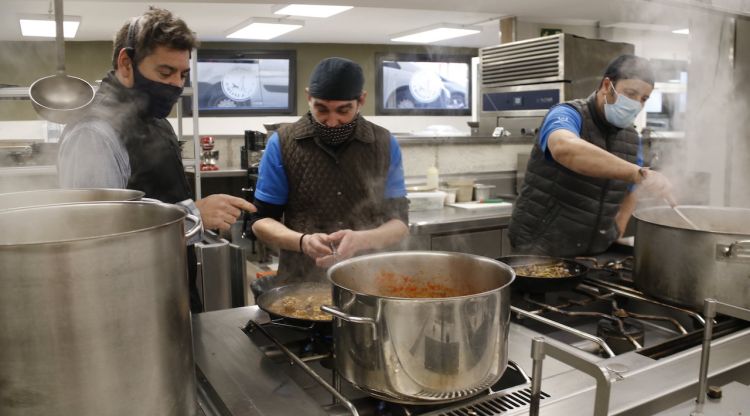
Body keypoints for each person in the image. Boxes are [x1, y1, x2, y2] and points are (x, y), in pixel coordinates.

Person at [57, 7, 255, 311]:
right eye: (165, 72)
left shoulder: (156, 120)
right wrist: (194, 216)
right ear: (126, 63)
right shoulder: (93, 134)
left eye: (182, 74)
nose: (176, 84)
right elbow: (96, 238)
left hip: (169, 293)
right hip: (126, 308)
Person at [250, 57, 409, 283]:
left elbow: (400, 223)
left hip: (367, 279)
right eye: (321, 109)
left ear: (361, 100)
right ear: (308, 97)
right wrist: (303, 241)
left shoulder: (383, 143)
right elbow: (261, 220)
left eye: (343, 110)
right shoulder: (283, 143)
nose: (332, 121)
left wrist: (362, 240)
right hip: (300, 279)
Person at [508, 54, 674, 257]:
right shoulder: (568, 113)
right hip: (541, 248)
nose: (637, 104)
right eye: (630, 94)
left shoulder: (631, 136)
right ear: (606, 85)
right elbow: (564, 147)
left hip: (594, 252)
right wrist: (638, 173)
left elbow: (632, 189)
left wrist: (618, 226)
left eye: (644, 99)